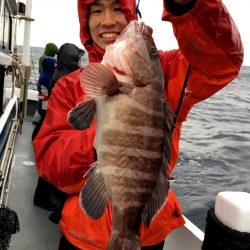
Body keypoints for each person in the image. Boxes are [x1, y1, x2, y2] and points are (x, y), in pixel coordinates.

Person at [33, 0, 243, 249]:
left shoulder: (167, 70)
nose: (108, 20)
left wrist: (188, 5)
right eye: (97, 10)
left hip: (148, 232)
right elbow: (51, 163)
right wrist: (104, 140)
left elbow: (221, 62)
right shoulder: (69, 86)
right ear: (85, 22)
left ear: (132, 14)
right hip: (83, 234)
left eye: (118, 8)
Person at [33, 43, 85, 213]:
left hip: (50, 124)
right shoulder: (64, 79)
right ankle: (41, 199)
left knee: (50, 164)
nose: (80, 63)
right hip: (56, 126)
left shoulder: (60, 74)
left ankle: (45, 197)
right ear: (71, 60)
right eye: (77, 60)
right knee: (50, 165)